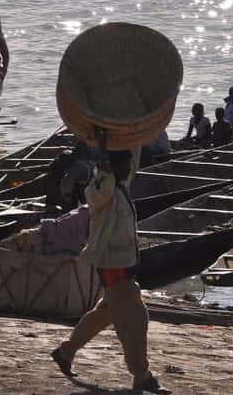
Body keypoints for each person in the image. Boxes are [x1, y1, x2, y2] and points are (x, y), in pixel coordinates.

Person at [51, 146, 165, 393]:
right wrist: (104, 164)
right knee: (136, 317)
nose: (128, 168)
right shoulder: (104, 189)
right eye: (122, 164)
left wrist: (135, 137)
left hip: (122, 263)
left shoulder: (121, 182)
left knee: (107, 312)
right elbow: (98, 190)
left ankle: (66, 352)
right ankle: (141, 374)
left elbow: (130, 160)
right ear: (112, 167)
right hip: (113, 264)